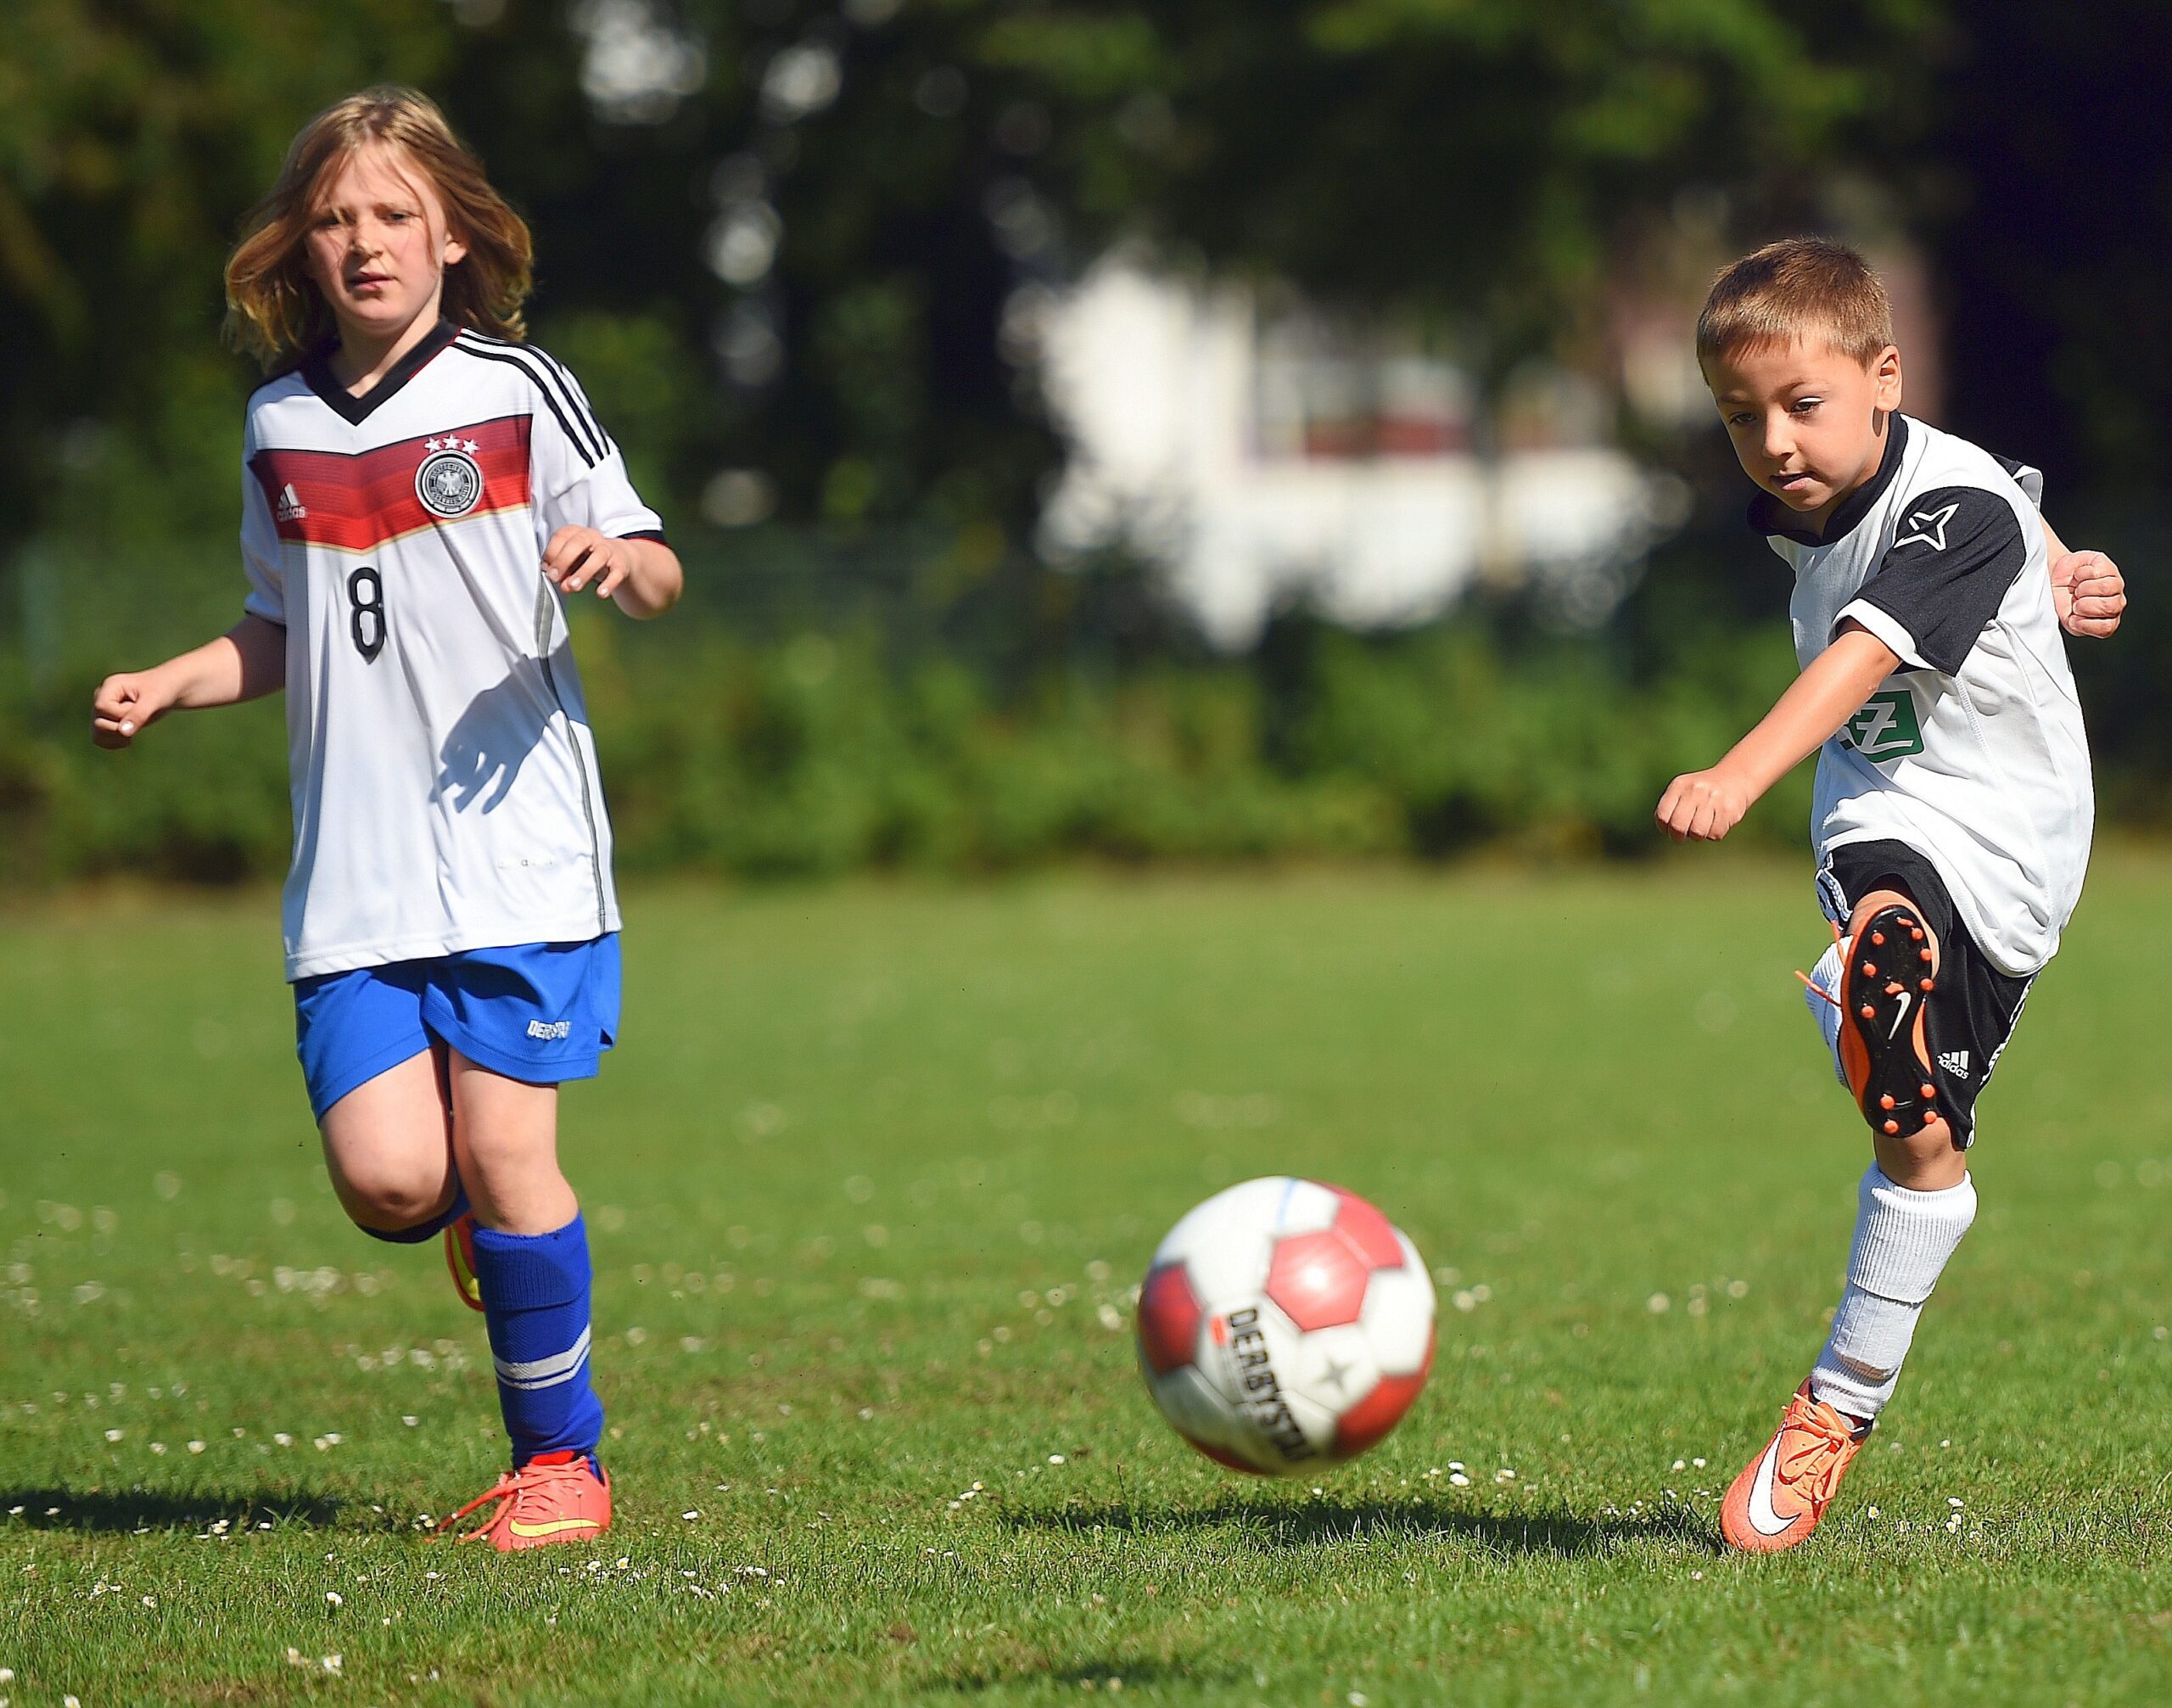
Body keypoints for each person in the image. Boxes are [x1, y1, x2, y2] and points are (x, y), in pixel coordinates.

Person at [88, 87, 681, 1551]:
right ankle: (476, 1218)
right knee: (393, 1180)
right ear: (304, 244)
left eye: (395, 216)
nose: (366, 242)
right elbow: (278, 624)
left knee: (509, 1149)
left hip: (519, 857)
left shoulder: (516, 390)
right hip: (353, 877)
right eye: (338, 218)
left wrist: (617, 556)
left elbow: (660, 569)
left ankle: (565, 1467)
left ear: (454, 235)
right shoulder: (277, 421)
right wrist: (177, 678)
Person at [1655, 237, 2125, 1554]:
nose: (1772, 440)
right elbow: (2009, 496)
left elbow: (1872, 645)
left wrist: (1739, 770)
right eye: (1741, 415)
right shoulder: (1852, 488)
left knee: (1922, 1154)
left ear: (1882, 379)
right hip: (1888, 816)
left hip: (2015, 843)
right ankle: (1876, 973)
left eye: (1802, 406)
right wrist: (2068, 559)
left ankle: (1842, 1395)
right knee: (1887, 940)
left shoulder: (1947, 508)